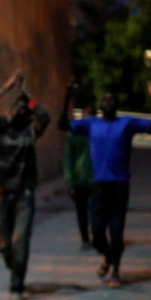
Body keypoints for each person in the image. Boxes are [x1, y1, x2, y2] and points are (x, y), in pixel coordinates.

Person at [59, 91, 151, 288]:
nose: (108, 102)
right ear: (100, 105)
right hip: (99, 185)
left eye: (112, 99)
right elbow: (63, 125)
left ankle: (116, 272)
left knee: (116, 230)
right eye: (105, 100)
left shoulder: (126, 123)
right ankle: (109, 257)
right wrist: (67, 99)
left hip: (119, 184)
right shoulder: (91, 124)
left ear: (117, 104)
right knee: (97, 234)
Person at [0, 69, 50, 300]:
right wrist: (7, 87)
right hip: (3, 193)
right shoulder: (0, 126)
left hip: (24, 194)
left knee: (20, 241)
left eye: (25, 109)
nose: (21, 109)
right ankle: (16, 268)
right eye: (18, 106)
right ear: (10, 110)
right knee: (4, 245)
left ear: (29, 115)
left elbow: (45, 116)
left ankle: (16, 285)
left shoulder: (31, 132)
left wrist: (26, 93)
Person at [62, 84, 94, 249]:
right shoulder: (77, 134)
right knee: (84, 211)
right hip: (83, 179)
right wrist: (70, 179)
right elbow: (69, 158)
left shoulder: (94, 132)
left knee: (90, 210)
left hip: (93, 178)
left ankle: (91, 237)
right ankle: (86, 238)